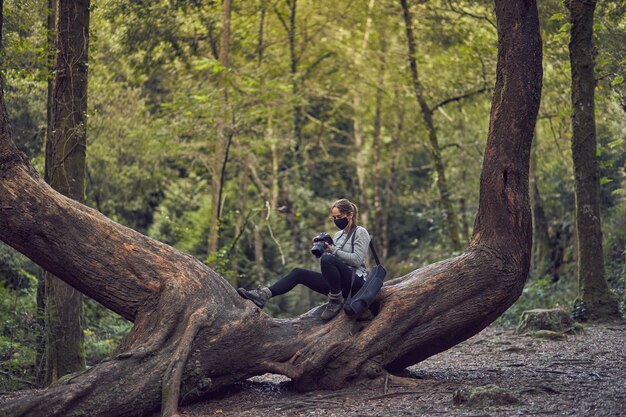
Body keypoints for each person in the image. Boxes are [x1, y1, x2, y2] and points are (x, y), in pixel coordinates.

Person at [237, 198, 371, 321]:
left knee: (328, 259)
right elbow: (333, 261)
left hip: (356, 283)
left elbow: (357, 260)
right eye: (334, 218)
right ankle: (263, 296)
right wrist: (322, 247)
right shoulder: (338, 235)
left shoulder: (360, 232)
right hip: (339, 285)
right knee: (298, 273)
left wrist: (332, 251)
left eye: (340, 217)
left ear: (350, 214)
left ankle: (335, 301)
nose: (337, 220)